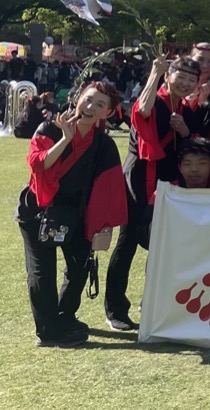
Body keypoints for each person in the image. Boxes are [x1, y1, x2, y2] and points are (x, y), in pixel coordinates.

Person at [15, 81, 128, 347]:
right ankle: (47, 331)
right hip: (38, 210)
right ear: (77, 99)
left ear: (108, 112)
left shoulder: (103, 144)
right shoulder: (49, 128)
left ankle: (64, 317)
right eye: (88, 99)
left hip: (76, 214)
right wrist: (65, 138)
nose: (90, 107)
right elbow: (39, 166)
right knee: (42, 272)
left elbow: (109, 187)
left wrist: (101, 224)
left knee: (80, 267)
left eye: (100, 104)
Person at [105, 56, 201, 331]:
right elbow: (142, 110)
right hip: (139, 177)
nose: (185, 83)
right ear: (168, 76)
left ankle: (151, 303)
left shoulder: (183, 107)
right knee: (127, 242)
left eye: (191, 80)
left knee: (161, 243)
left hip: (167, 180)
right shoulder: (154, 99)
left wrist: (185, 131)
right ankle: (115, 310)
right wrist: (154, 73)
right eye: (180, 76)